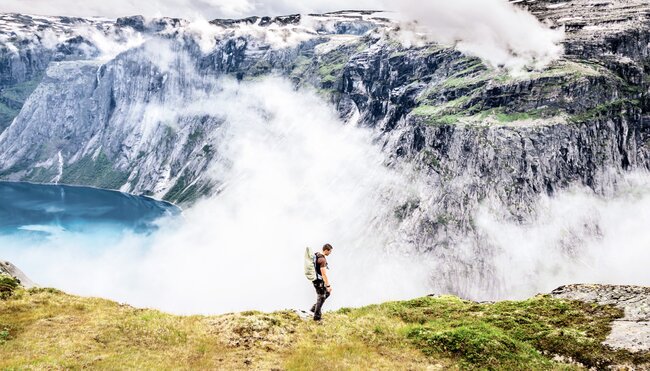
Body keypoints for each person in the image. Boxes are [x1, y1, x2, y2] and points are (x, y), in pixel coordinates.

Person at [310, 243, 333, 321]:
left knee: (326, 294)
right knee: (321, 296)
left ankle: (314, 308)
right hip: (319, 281)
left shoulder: (316, 254)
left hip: (315, 279)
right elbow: (323, 274)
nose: (330, 253)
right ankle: (317, 317)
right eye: (330, 251)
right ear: (326, 250)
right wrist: (328, 285)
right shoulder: (322, 260)